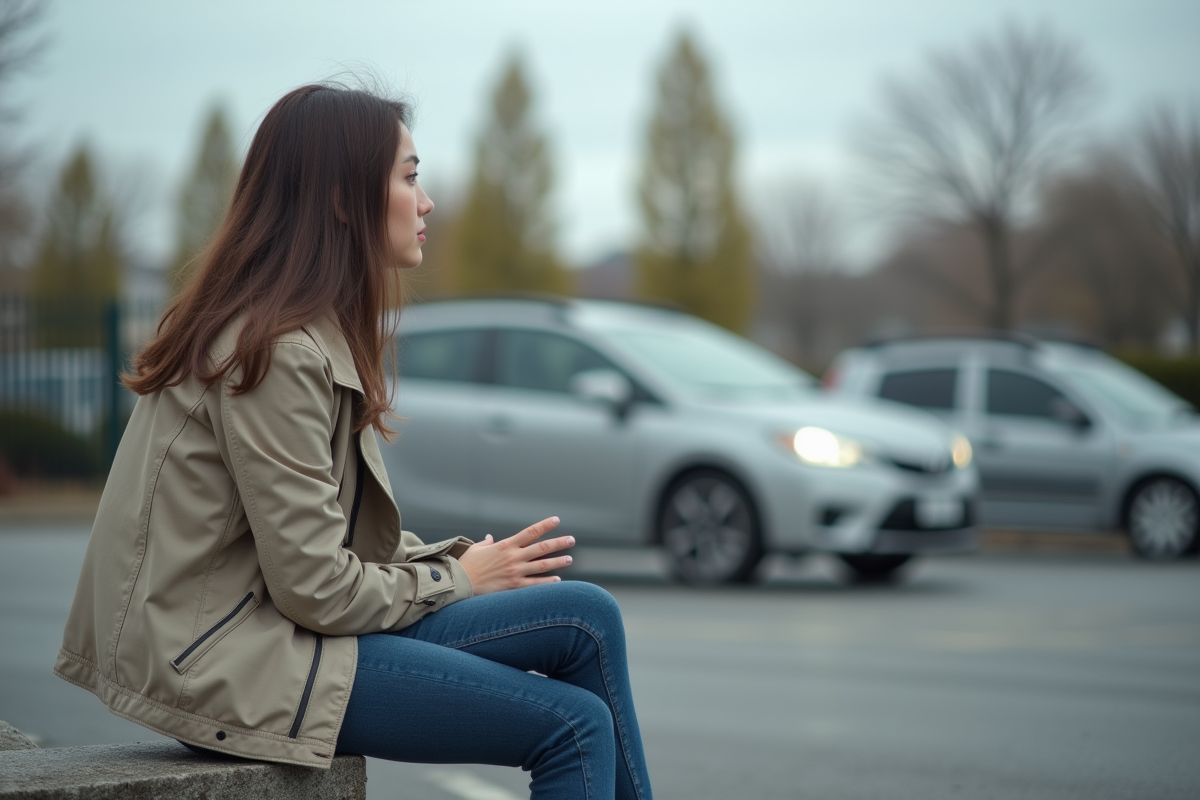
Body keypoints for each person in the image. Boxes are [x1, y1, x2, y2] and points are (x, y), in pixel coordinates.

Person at [53, 83, 653, 800]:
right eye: (409, 176)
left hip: (276, 630)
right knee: (573, 725)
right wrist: (461, 580)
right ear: (342, 199)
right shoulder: (274, 350)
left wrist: (461, 560)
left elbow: (329, 554)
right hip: (224, 661)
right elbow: (316, 587)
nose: (426, 202)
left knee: (585, 617)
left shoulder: (303, 331)